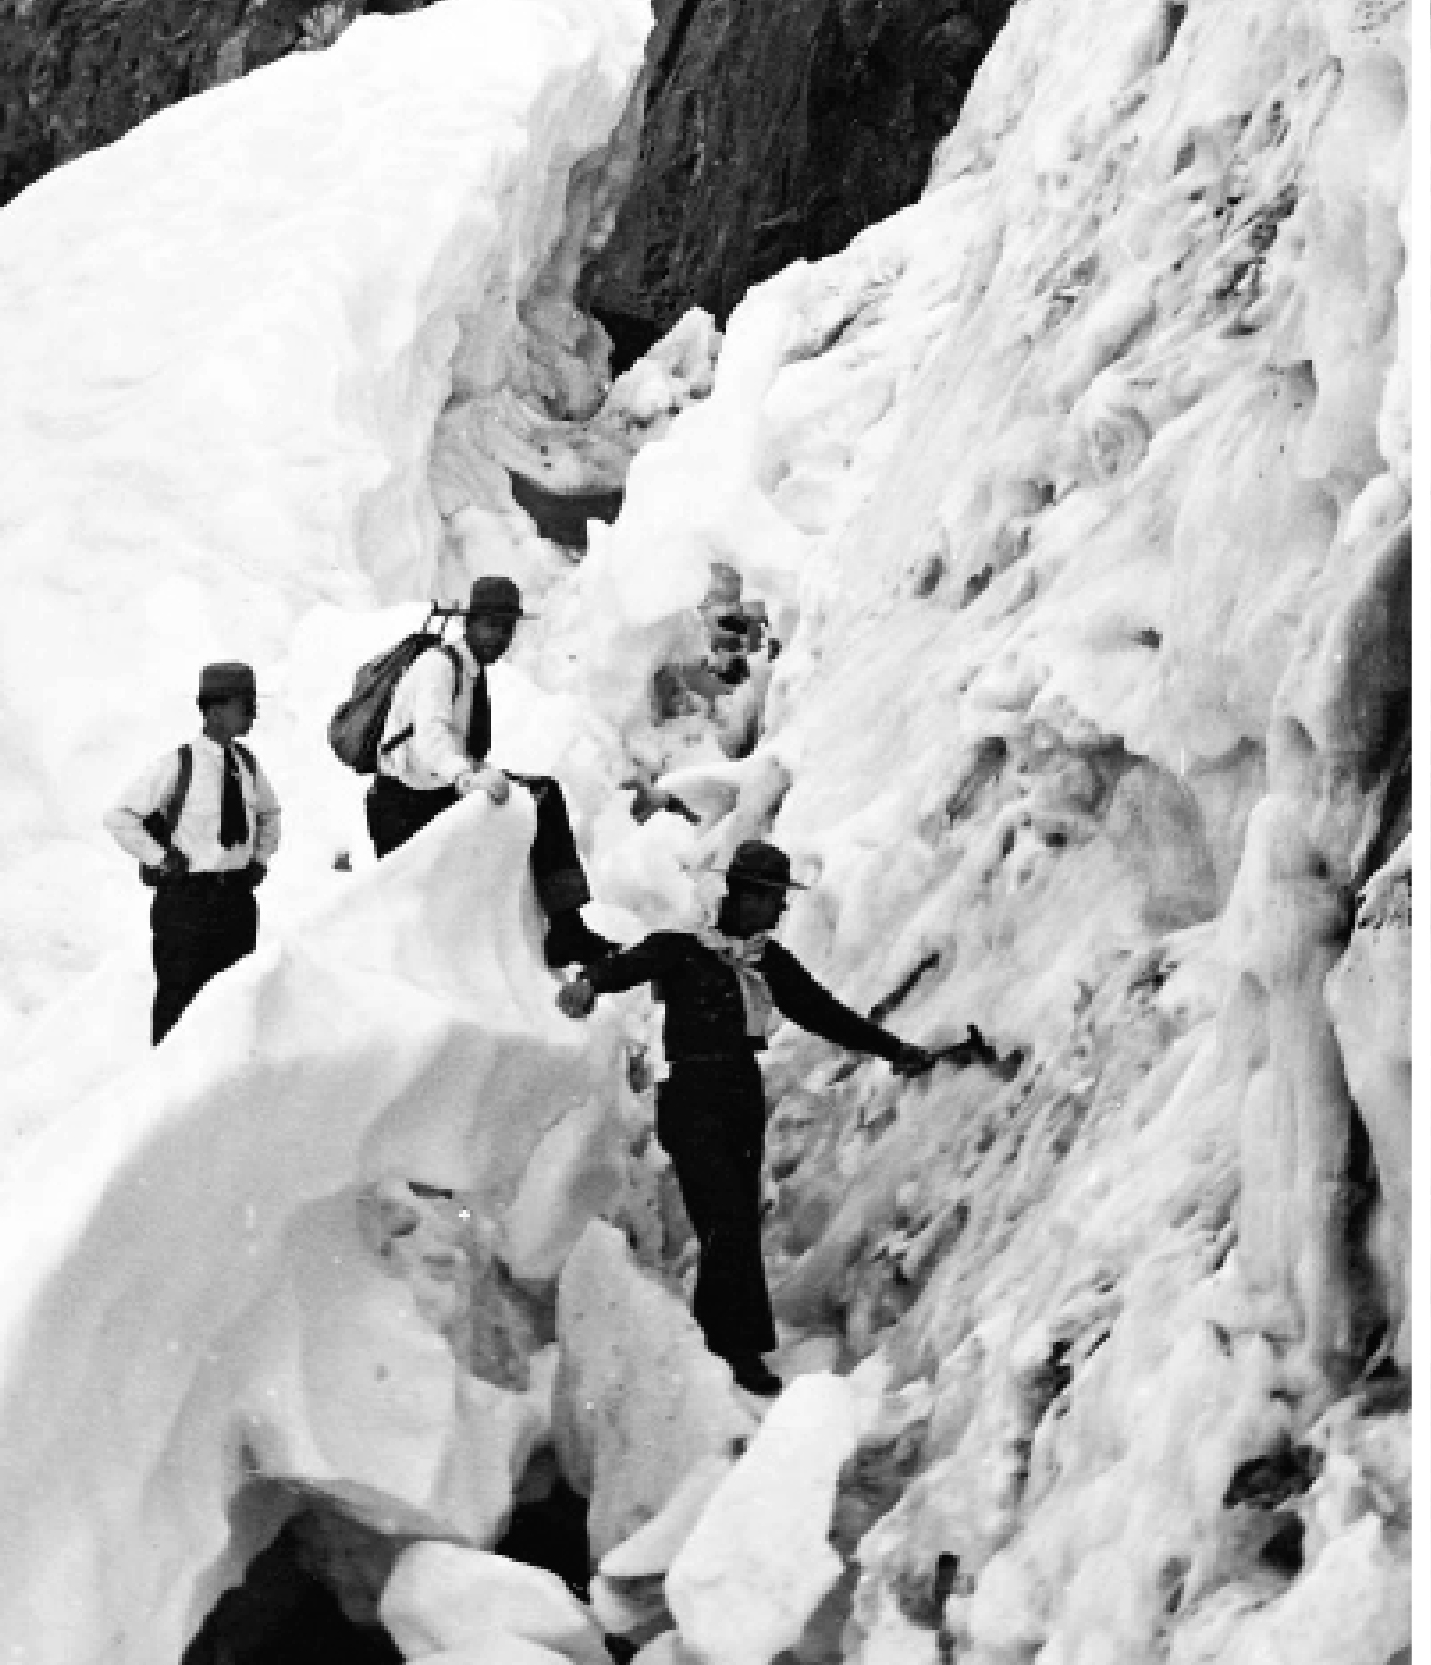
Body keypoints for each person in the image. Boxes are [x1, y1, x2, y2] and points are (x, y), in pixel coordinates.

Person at [555, 840, 976, 1393]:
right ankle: (734, 1348)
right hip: (691, 1095)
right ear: (744, 895)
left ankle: (719, 1338)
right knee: (724, 1220)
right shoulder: (681, 948)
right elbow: (627, 966)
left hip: (738, 1096)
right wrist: (588, 985)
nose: (779, 912)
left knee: (733, 1223)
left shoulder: (769, 963)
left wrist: (892, 1049)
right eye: (773, 899)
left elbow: (824, 1013)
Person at [370, 572, 599, 965]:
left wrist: (479, 773)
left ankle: (567, 927)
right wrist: (465, 777)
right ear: (469, 623)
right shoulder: (438, 667)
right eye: (492, 625)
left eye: (507, 628)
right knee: (537, 800)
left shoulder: (471, 670)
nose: (500, 637)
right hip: (404, 805)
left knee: (544, 793)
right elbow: (430, 736)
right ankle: (553, 933)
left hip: (434, 791)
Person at [107, 660, 282, 1042]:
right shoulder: (179, 764)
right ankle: (168, 1094)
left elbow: (270, 814)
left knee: (233, 1003)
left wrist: (258, 859)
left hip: (235, 901)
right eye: (245, 705)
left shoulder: (247, 764)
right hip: (186, 903)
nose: (252, 714)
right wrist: (160, 858)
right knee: (179, 1002)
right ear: (215, 711)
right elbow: (120, 816)